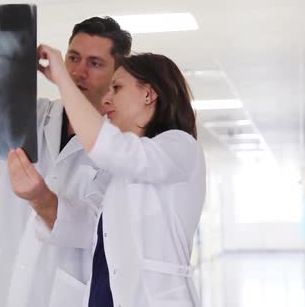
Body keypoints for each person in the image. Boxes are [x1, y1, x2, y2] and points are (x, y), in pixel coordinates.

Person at [0, 0, 132, 307]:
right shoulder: (27, 117)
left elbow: (90, 229)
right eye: (73, 57)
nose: (78, 71)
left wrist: (40, 197)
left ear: (117, 74)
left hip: (59, 293)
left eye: (95, 63)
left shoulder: (121, 148)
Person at [36, 45, 206, 307]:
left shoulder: (180, 146)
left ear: (149, 94)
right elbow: (85, 227)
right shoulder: (118, 175)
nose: (106, 100)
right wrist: (36, 195)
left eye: (117, 88)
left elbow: (111, 148)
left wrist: (63, 81)